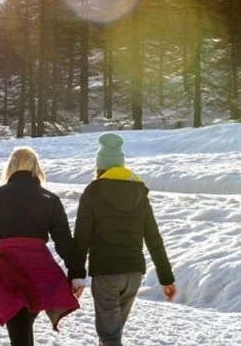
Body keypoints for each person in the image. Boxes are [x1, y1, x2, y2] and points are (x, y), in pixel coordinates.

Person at [0, 147, 87, 346]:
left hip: (9, 268)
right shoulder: (49, 198)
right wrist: (76, 273)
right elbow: (64, 240)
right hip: (38, 270)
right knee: (23, 327)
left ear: (11, 167)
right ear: (36, 167)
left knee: (20, 330)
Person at [74, 133, 176, 346]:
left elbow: (81, 238)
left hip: (106, 274)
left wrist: (76, 276)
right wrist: (166, 277)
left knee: (110, 336)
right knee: (113, 334)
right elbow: (153, 237)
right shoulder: (139, 192)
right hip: (133, 274)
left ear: (99, 166)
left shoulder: (92, 192)